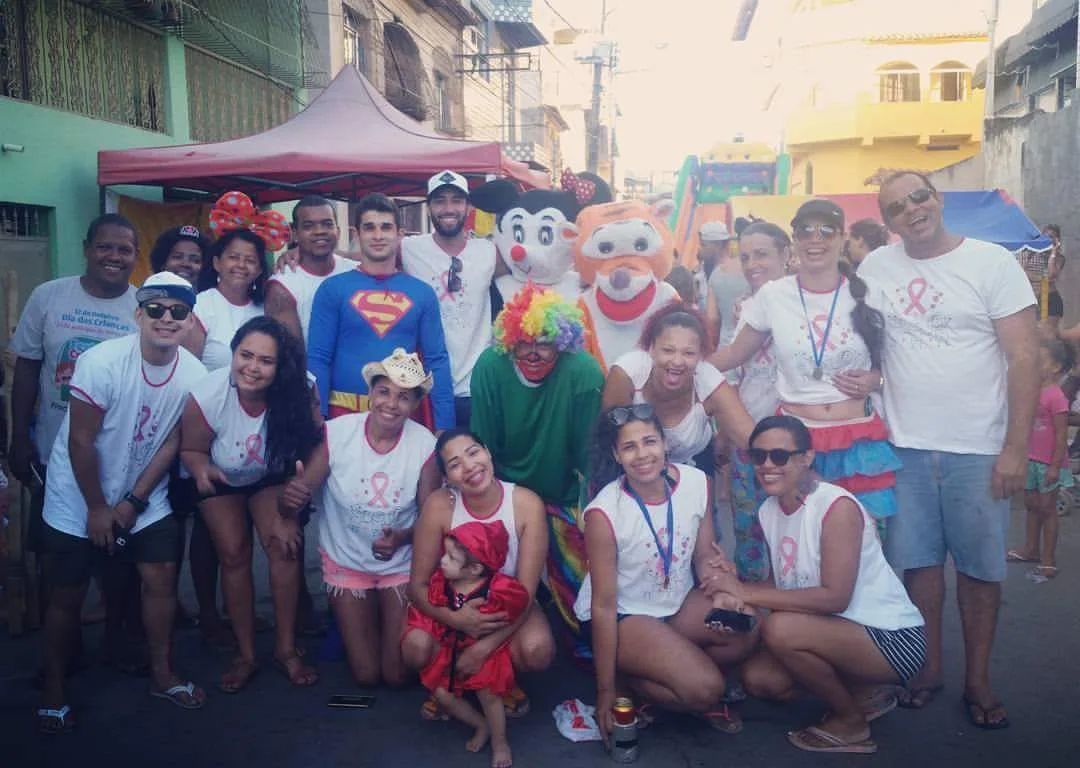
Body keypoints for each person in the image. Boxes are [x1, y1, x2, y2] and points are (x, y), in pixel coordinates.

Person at [861, 171, 1037, 728]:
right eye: (897, 207)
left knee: (981, 573)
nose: (912, 210)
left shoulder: (992, 263)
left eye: (919, 197)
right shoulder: (875, 269)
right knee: (919, 568)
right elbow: (860, 340)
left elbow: (1026, 359)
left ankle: (978, 679)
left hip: (978, 450)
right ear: (887, 222)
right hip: (904, 447)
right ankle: (928, 667)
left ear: (937, 199)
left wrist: (1015, 449)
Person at [36, 272, 208, 732]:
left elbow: (172, 442)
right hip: (77, 492)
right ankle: (53, 686)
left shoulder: (195, 373)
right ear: (138, 314)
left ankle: (163, 674)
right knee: (67, 593)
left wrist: (133, 501)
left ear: (191, 320)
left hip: (143, 493)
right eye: (155, 309)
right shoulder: (101, 361)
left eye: (178, 311)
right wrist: (96, 507)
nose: (167, 318)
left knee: (162, 579)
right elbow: (80, 441)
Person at [707, 415, 925, 754]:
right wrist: (733, 583)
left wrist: (746, 593)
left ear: (807, 457)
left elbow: (834, 597)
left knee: (780, 630)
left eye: (779, 456)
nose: (767, 465)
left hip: (891, 638)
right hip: (839, 631)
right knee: (760, 679)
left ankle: (851, 722)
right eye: (758, 456)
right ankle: (864, 692)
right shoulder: (769, 510)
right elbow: (782, 583)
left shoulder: (835, 507)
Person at [710, 200, 900, 532]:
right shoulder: (772, 295)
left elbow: (899, 361)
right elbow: (732, 356)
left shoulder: (869, 293)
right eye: (806, 231)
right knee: (799, 542)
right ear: (794, 241)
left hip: (858, 444)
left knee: (863, 544)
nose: (816, 239)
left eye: (827, 231)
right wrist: (676, 366)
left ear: (842, 238)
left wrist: (876, 379)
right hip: (794, 444)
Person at [576, 404, 759, 740]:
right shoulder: (604, 513)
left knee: (745, 625)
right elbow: (603, 604)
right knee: (705, 689)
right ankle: (630, 684)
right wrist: (605, 694)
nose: (642, 455)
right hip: (624, 616)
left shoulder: (696, 483)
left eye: (649, 442)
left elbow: (704, 554)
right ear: (616, 455)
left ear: (664, 444)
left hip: (674, 603)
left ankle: (665, 671)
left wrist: (721, 591)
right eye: (629, 447)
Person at [280, 348, 441, 686]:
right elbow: (298, 495)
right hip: (346, 561)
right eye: (384, 391)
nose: (391, 404)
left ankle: (396, 625)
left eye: (403, 397)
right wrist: (290, 499)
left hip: (399, 564)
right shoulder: (338, 434)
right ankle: (376, 626)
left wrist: (401, 538)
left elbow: (431, 520)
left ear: (415, 405)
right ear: (370, 392)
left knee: (396, 675)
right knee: (367, 676)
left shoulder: (424, 444)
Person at [180, 316, 323, 693]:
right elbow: (191, 448)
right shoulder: (207, 394)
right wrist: (200, 469)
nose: (253, 368)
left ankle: (286, 648)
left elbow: (316, 445)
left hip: (272, 475)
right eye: (246, 356)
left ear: (281, 368)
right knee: (233, 554)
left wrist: (297, 499)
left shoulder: (299, 389)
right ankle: (245, 654)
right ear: (233, 353)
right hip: (222, 475)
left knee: (284, 547)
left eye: (265, 361)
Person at [469, 283, 603, 654]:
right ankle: (494, 643)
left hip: (561, 494)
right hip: (504, 493)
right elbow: (482, 448)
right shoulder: (489, 368)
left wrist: (591, 515)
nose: (533, 352)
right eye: (523, 341)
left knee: (585, 580)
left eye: (544, 341)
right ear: (509, 340)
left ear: (562, 341)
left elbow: (588, 455)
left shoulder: (584, 372)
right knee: (490, 576)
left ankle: (590, 646)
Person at [404, 428, 553, 721]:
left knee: (537, 650)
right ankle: (446, 682)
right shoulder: (439, 505)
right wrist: (455, 619)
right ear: (447, 478)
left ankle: (499, 680)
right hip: (451, 603)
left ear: (487, 452)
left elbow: (525, 593)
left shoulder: (525, 503)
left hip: (506, 607)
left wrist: (482, 648)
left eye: (473, 453)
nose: (470, 466)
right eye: (455, 464)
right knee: (414, 649)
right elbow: (416, 586)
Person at [9, 214, 141, 523]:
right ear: (86, 249)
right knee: (57, 558)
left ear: (136, 256)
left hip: (118, 459)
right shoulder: (47, 296)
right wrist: (18, 437)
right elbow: (27, 369)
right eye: (104, 247)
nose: (114, 257)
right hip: (52, 450)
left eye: (124, 250)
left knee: (115, 557)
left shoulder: (144, 309)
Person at [307, 193, 454, 429]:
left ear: (399, 235)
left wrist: (444, 426)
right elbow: (318, 358)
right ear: (357, 234)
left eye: (386, 227)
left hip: (400, 417)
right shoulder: (332, 289)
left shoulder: (422, 293)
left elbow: (437, 361)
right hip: (342, 417)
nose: (377, 236)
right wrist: (317, 417)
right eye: (369, 228)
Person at [406, 521, 528, 768]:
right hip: (450, 650)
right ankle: (479, 724)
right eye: (445, 553)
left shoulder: (495, 590)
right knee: (441, 694)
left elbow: (515, 610)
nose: (442, 561)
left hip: (483, 652)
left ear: (474, 569)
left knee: (488, 694)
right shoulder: (443, 583)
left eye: (451, 558)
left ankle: (499, 740)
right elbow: (431, 607)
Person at [602, 302, 754, 472]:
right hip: (633, 465)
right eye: (668, 350)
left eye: (688, 353)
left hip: (693, 463)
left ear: (700, 357)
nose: (677, 361)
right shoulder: (627, 374)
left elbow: (753, 442)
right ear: (651, 349)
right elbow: (609, 438)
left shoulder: (709, 381)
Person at [402, 170, 499, 427]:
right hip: (428, 387)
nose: (448, 208)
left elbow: (525, 274)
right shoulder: (409, 248)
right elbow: (365, 258)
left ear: (468, 207)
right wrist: (299, 252)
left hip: (478, 385)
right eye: (439, 201)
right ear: (429, 207)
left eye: (456, 200)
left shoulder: (488, 251)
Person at [726, 221, 790, 581]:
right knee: (749, 530)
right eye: (746, 256)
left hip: (794, 441)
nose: (752, 264)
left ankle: (795, 618)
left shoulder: (806, 305)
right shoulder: (743, 309)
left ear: (786, 255)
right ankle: (753, 625)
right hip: (746, 437)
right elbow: (733, 375)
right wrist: (728, 434)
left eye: (762, 254)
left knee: (794, 527)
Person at [1007, 337, 1075, 581]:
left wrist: (1055, 466)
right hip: (1031, 460)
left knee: (1047, 510)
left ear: (1055, 367)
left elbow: (1060, 436)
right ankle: (1030, 549)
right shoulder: (1032, 392)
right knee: (1032, 506)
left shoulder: (1056, 397)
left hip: (1048, 462)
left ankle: (1048, 559)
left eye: (1040, 361)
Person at [265, 195, 353, 347]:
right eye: (308, 226)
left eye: (327, 224)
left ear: (337, 230)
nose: (319, 231)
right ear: (295, 232)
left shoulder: (356, 270)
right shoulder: (282, 286)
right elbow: (292, 355)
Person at [189, 227, 270, 371]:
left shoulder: (267, 308)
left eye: (250, 260)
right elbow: (188, 368)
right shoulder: (200, 306)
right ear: (217, 263)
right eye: (233, 257)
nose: (241, 265)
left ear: (259, 271)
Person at [702, 221, 749, 350]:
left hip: (727, 345)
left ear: (717, 245)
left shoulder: (717, 274)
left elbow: (712, 318)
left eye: (704, 245)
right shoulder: (759, 272)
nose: (701, 249)